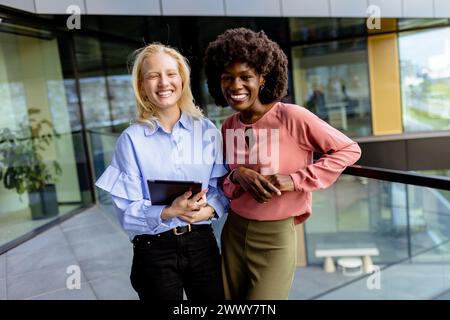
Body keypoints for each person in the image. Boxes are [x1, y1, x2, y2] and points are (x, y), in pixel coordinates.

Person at [204, 28, 361, 300]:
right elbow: (225, 183)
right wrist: (238, 175)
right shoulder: (228, 125)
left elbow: (348, 149)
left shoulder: (292, 117)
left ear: (262, 78)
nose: (235, 86)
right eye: (227, 78)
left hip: (275, 238)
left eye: (245, 77)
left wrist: (295, 179)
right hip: (234, 231)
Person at [95, 43, 228, 301]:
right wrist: (169, 211)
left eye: (170, 73)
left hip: (202, 244)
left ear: (182, 79)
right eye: (153, 75)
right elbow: (126, 213)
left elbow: (221, 189)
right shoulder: (131, 140)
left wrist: (210, 209)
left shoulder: (207, 130)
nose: (163, 82)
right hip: (154, 251)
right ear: (142, 85)